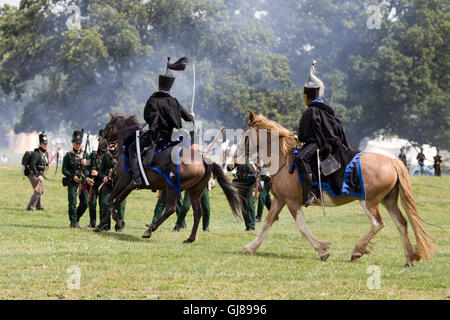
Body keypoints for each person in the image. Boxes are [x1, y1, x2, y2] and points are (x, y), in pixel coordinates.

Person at [294, 60, 357, 207]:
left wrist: (301, 138)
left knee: (300, 158)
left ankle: (312, 190)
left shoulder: (310, 112)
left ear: (307, 98)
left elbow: (303, 136)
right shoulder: (327, 110)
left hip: (318, 145)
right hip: (330, 144)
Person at [128, 57, 194, 189]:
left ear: (158, 87)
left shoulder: (152, 100)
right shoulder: (174, 101)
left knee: (132, 149)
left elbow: (147, 116)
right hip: (168, 137)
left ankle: (136, 178)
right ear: (170, 89)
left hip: (154, 136)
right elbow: (187, 118)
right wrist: (191, 115)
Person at [62, 130, 89, 228]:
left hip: (83, 183)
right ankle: (73, 223)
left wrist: (84, 176)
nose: (78, 145)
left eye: (79, 143)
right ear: (72, 143)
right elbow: (64, 170)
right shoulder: (68, 156)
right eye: (76, 143)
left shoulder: (86, 156)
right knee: (72, 203)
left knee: (85, 203)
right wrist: (72, 176)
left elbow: (88, 170)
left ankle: (76, 218)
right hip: (72, 182)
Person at [99, 141, 126, 231]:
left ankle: (119, 227)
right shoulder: (106, 156)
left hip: (120, 186)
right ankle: (106, 226)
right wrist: (104, 177)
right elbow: (101, 171)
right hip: (109, 185)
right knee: (104, 203)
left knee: (120, 206)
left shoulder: (122, 155)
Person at [227, 155, 257, 231]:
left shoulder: (253, 155)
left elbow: (258, 166)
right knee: (243, 205)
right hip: (241, 183)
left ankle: (251, 226)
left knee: (249, 204)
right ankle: (247, 226)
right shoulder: (238, 154)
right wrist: (231, 165)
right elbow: (229, 168)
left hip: (251, 184)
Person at [85, 130, 106, 228]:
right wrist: (87, 178)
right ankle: (92, 223)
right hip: (93, 183)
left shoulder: (108, 156)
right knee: (92, 203)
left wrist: (98, 174)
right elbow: (86, 169)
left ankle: (102, 224)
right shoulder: (92, 155)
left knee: (103, 204)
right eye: (101, 139)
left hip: (103, 183)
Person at [26, 131, 49, 211]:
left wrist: (46, 167)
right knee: (38, 191)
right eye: (43, 144)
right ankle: (30, 207)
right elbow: (32, 165)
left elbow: (45, 163)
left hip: (41, 174)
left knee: (41, 191)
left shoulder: (46, 154)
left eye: (46, 144)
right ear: (40, 144)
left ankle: (39, 206)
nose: (45, 145)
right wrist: (38, 175)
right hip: (33, 174)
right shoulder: (37, 153)